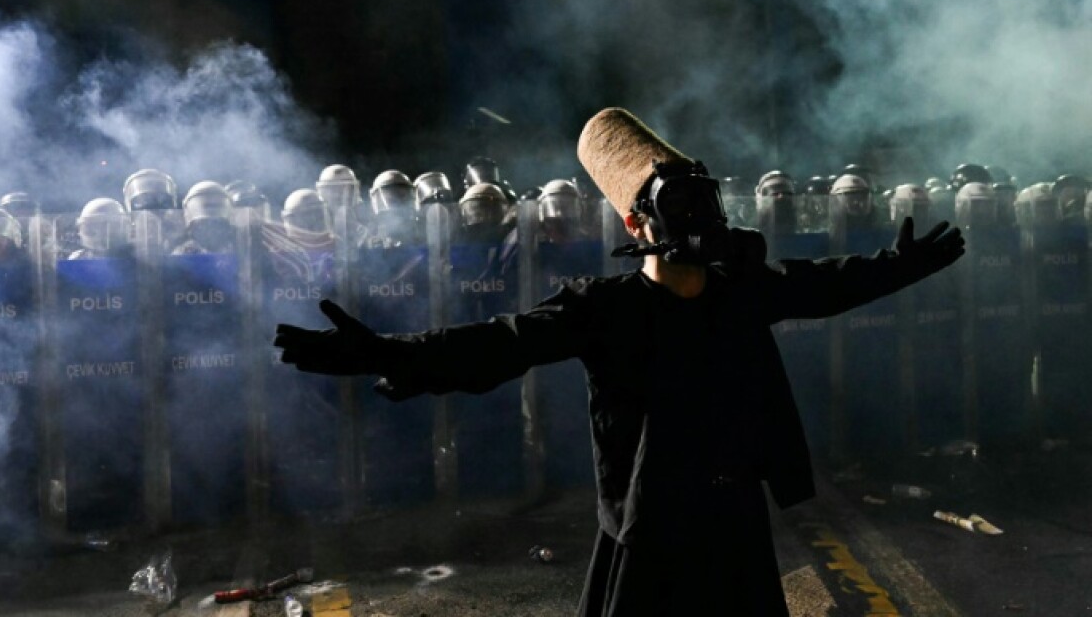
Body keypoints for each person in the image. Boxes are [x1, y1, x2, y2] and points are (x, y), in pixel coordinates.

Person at [274, 107, 966, 616]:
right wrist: (390, 353)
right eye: (678, 203)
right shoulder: (606, 308)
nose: (698, 216)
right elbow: (502, 341)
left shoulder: (741, 291)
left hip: (733, 517)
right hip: (650, 521)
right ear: (637, 224)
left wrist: (899, 265)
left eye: (701, 197)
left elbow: (829, 284)